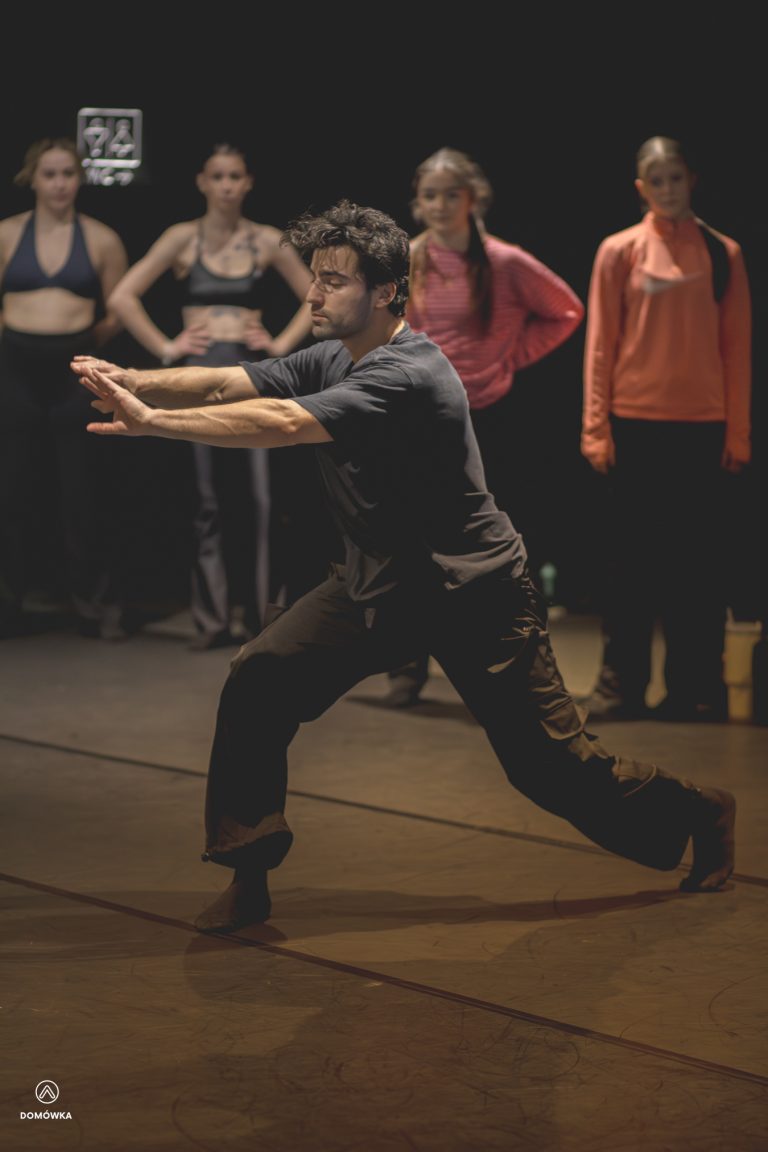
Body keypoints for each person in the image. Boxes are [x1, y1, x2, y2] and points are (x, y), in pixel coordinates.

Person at [72, 199, 736, 935]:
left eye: (333, 281)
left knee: (550, 770)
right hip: (378, 584)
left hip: (473, 592)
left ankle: (700, 811)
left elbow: (286, 423)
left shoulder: (410, 373)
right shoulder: (333, 354)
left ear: (386, 291)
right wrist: (133, 377)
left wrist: (155, 424)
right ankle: (247, 871)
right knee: (260, 675)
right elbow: (234, 383)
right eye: (314, 278)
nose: (312, 294)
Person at [386, 147, 585, 706]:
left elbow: (566, 311)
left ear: (473, 198)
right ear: (417, 202)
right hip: (422, 417)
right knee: (416, 541)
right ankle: (407, 666)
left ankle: (503, 665)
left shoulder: (504, 261)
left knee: (490, 545)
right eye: (429, 195)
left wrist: (511, 356)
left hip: (490, 415)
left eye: (452, 194)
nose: (440, 205)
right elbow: (386, 326)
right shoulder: (409, 258)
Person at [107, 142, 314, 649]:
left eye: (235, 176)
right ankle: (212, 620)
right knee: (207, 500)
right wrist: (167, 347)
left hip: (253, 375)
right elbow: (122, 295)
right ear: (202, 182)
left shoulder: (265, 239)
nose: (226, 185)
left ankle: (264, 619)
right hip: (198, 379)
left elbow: (316, 295)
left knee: (261, 500)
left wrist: (280, 345)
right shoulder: (183, 238)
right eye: (217, 176)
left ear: (248, 183)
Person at [579, 136, 752, 722]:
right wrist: (595, 428)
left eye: (676, 178)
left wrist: (738, 432)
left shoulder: (722, 253)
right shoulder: (619, 250)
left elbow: (737, 347)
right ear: (641, 188)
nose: (668, 189)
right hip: (634, 426)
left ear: (691, 180)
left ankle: (694, 688)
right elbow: (600, 344)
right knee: (628, 565)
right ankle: (620, 685)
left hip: (702, 428)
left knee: (697, 567)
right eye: (657, 181)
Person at [0, 136, 129, 639]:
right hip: (16, 368)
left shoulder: (101, 238)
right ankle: (10, 600)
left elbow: (118, 308)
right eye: (49, 174)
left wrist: (81, 343)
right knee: (13, 487)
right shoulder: (7, 233)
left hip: (74, 370)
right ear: (32, 179)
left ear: (80, 179)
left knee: (82, 490)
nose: (59, 184)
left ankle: (92, 602)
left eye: (68, 174)